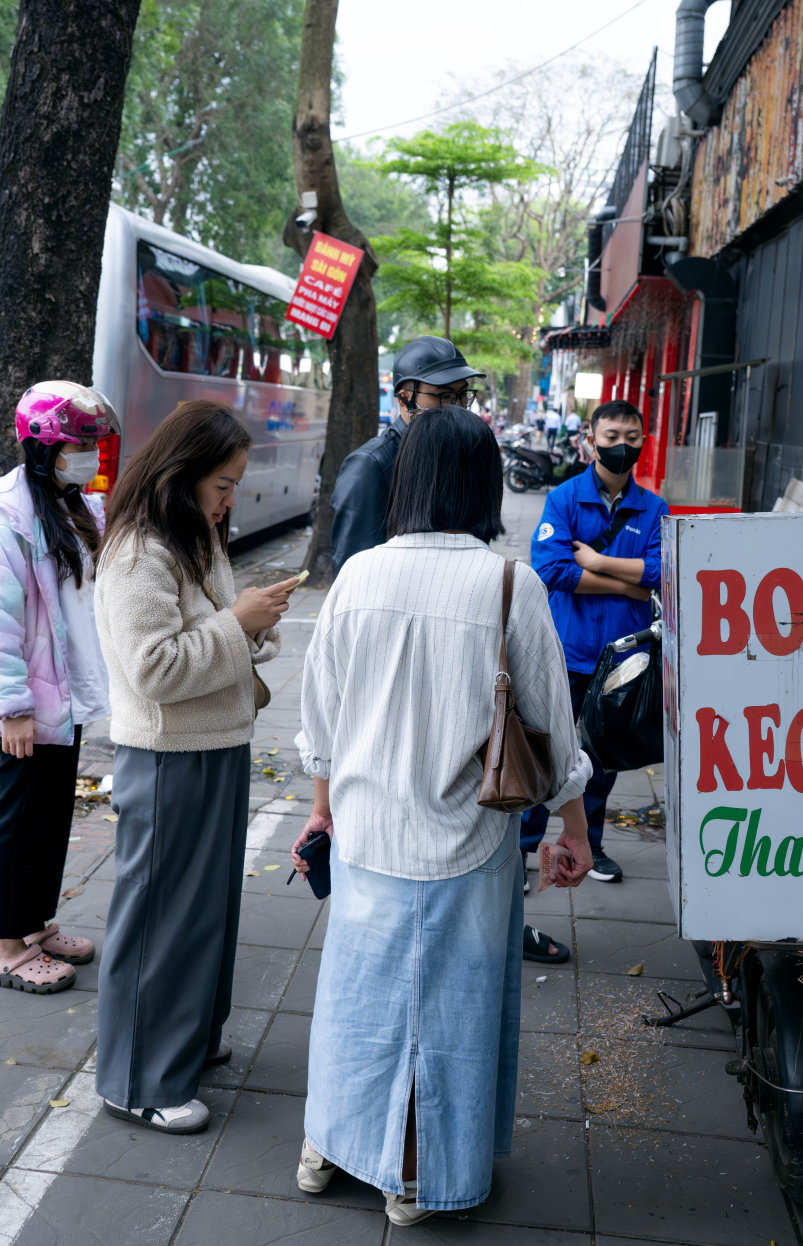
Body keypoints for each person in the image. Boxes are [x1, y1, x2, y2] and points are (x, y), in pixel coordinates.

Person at [292, 406, 593, 1226]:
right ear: (483, 483)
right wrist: (574, 826)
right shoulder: (507, 584)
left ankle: (328, 1143)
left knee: (356, 998)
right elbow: (552, 726)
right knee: (446, 1012)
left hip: (366, 832)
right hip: (468, 837)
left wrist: (320, 813)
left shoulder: (357, 575)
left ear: (408, 480)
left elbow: (320, 716)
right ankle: (414, 1173)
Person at [93, 400, 298, 1135]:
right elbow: (155, 669)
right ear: (183, 476)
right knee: (160, 921)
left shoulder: (190, 537)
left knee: (203, 911)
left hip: (215, 747)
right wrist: (237, 624)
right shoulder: (138, 552)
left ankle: (185, 1045)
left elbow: (209, 635)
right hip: (167, 757)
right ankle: (136, 1079)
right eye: (223, 485)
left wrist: (252, 628)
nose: (230, 500)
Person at [0, 382, 116, 995]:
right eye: (80, 445)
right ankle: (3, 946)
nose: (91, 456)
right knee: (21, 818)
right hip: (28, 700)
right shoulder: (6, 523)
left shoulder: (72, 505)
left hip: (64, 693)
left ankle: (36, 925)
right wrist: (13, 707)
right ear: (45, 446)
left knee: (51, 816)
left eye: (94, 445)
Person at [519, 399, 666, 950]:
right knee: (547, 752)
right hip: (572, 651)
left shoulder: (654, 507)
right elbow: (551, 568)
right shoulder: (565, 497)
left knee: (601, 756)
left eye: (632, 433)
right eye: (612, 433)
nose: (621, 443)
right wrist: (626, 582)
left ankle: (592, 844)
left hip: (625, 659)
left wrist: (599, 563)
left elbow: (662, 571)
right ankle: (527, 847)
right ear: (591, 438)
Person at [328, 335, 482, 573]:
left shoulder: (461, 452)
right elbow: (353, 570)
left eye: (462, 395)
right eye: (443, 395)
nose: (457, 406)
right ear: (404, 398)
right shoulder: (371, 464)